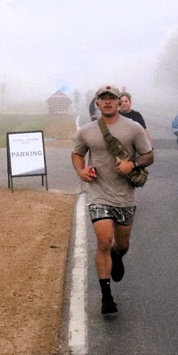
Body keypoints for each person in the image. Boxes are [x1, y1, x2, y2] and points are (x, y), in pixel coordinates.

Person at [72, 84, 154, 314]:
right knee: (104, 241)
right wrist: (81, 171)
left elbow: (149, 155)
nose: (107, 102)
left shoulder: (134, 128)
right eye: (103, 98)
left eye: (112, 98)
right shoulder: (87, 131)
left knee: (121, 245)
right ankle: (106, 297)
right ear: (96, 102)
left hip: (125, 196)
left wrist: (133, 164)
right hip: (98, 193)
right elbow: (77, 153)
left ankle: (117, 257)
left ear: (119, 102)